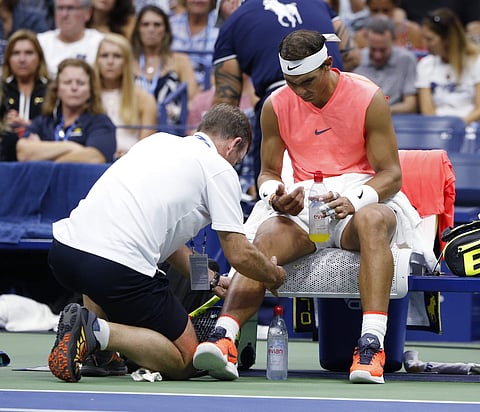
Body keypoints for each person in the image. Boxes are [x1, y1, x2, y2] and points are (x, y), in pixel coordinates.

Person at [193, 29, 433, 384]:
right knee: (267, 233)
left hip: (360, 196)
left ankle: (370, 345)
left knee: (375, 221)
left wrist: (355, 200)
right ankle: (225, 337)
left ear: (328, 66)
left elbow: (391, 175)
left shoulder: (369, 98)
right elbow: (269, 173)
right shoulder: (276, 104)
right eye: (291, 82)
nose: (299, 91)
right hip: (305, 202)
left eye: (306, 81)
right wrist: (275, 194)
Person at [46, 103, 286, 383]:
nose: (234, 165)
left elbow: (168, 240)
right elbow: (238, 253)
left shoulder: (156, 141)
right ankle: (95, 332)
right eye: (238, 159)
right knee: (186, 359)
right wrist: (273, 275)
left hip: (65, 252)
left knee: (101, 262)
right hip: (113, 266)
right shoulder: (219, 169)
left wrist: (211, 280)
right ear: (235, 145)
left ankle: (99, 357)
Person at [210, 0, 360, 197]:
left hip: (280, 104)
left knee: (277, 197)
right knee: (347, 188)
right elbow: (353, 56)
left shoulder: (233, 22)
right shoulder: (319, 4)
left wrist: (209, 152)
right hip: (337, 96)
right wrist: (319, 74)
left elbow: (227, 100)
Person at [16, 58, 116, 163]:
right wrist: (71, 147)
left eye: (80, 83)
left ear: (90, 90)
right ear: (57, 89)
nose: (74, 88)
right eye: (67, 82)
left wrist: (43, 155)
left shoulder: (101, 122)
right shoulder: (44, 121)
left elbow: (94, 157)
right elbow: (23, 152)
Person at [131, 5, 199, 129]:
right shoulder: (128, 61)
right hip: (135, 127)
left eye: (157, 25)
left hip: (171, 129)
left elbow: (193, 99)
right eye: (145, 24)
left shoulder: (180, 60)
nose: (151, 29)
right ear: (138, 29)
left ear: (166, 30)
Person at [95, 33, 157, 158]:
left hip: (131, 163)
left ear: (127, 62)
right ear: (97, 61)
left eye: (117, 56)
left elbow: (146, 146)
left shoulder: (144, 99)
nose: (110, 61)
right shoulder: (86, 96)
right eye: (104, 56)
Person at [416, 8, 480, 126]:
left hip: (470, 126)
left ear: (447, 39)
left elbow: (479, 109)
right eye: (424, 38)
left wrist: (458, 126)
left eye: (430, 39)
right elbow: (427, 111)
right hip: (437, 127)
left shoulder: (476, 62)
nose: (425, 45)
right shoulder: (425, 64)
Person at [353, 15, 417, 114]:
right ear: (366, 41)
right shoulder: (355, 60)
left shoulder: (406, 60)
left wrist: (379, 114)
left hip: (396, 118)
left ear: (394, 41)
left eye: (383, 50)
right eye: (373, 49)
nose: (378, 55)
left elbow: (410, 105)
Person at [0, 30, 49, 140]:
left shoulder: (52, 90)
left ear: (39, 57)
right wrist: (4, 125)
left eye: (29, 53)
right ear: (8, 59)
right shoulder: (2, 89)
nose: (22, 59)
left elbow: (59, 127)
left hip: (43, 151)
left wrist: (28, 125)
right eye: (16, 53)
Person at [37, 0, 105, 78]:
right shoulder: (40, 42)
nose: (64, 14)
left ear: (87, 13)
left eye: (71, 8)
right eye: (60, 8)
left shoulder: (101, 43)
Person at [169, 0, 218, 90]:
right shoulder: (169, 26)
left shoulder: (222, 27)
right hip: (173, 88)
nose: (198, 1)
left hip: (210, 90)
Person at [354, 0, 424, 51]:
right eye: (375, 10)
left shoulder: (413, 31)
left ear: (395, 8)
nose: (380, 15)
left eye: (386, 10)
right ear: (368, 8)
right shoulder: (361, 37)